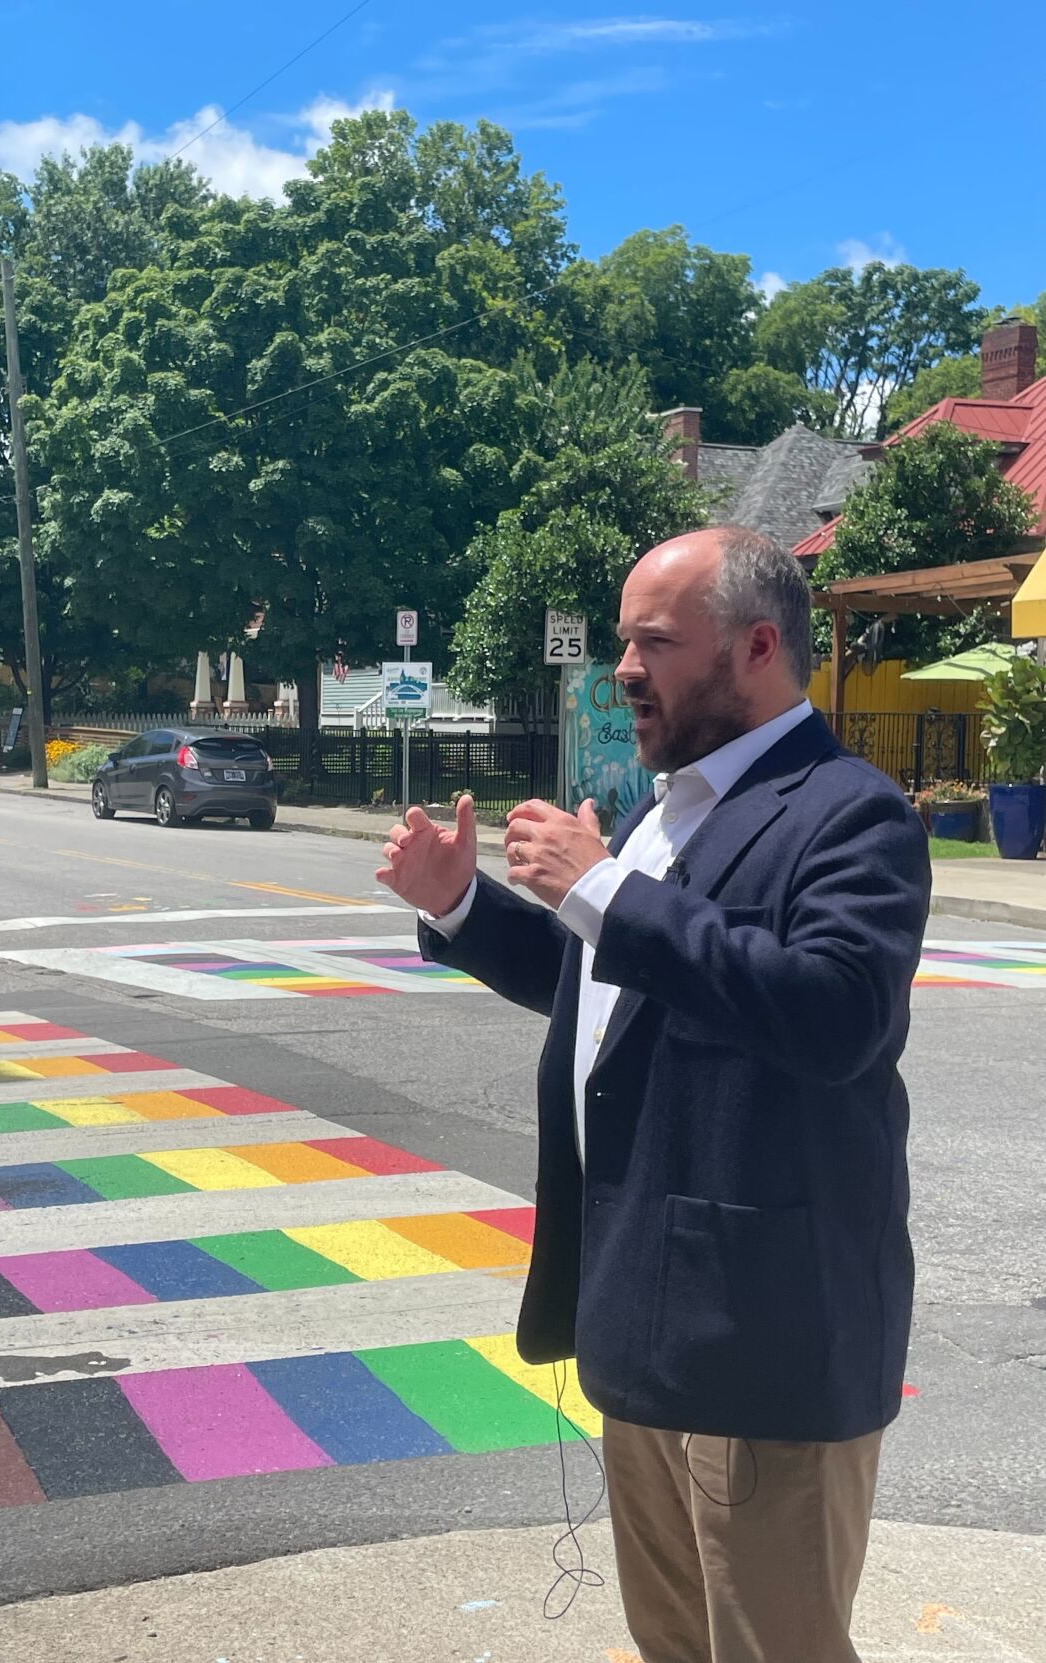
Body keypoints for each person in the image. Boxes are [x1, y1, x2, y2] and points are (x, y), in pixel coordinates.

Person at [375, 526, 931, 1663]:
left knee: (773, 1646)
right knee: (672, 1643)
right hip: (645, 1319)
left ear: (758, 645)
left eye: (656, 642)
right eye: (624, 640)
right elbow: (614, 995)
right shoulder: (663, 811)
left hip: (764, 1333)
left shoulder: (848, 812)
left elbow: (833, 1017)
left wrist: (606, 893)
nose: (624, 668)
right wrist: (465, 910)